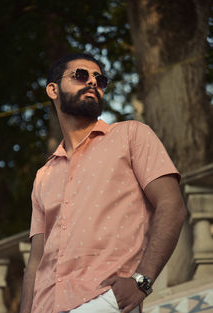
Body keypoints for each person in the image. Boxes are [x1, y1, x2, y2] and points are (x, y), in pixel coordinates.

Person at [19, 53, 187, 313]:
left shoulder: (131, 135)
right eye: (81, 75)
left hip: (104, 302)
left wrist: (141, 280)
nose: (92, 82)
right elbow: (36, 260)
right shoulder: (44, 175)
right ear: (53, 89)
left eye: (100, 79)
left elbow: (171, 205)